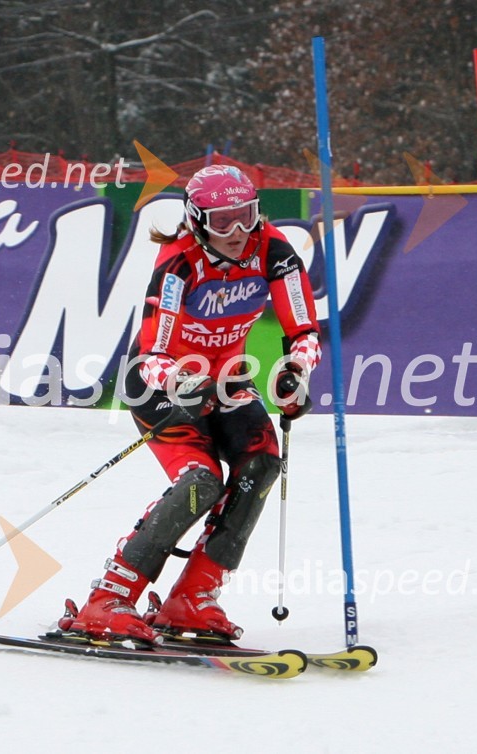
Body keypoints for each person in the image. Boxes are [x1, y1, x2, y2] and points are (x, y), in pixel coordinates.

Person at [58, 164, 321, 645]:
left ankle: (193, 596)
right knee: (200, 481)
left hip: (226, 380)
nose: (238, 232)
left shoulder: (274, 250)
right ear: (198, 221)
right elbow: (153, 351)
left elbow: (302, 331)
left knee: (261, 465)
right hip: (158, 386)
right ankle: (108, 599)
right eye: (222, 221)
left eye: (245, 215)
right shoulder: (178, 263)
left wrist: (295, 371)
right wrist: (178, 378)